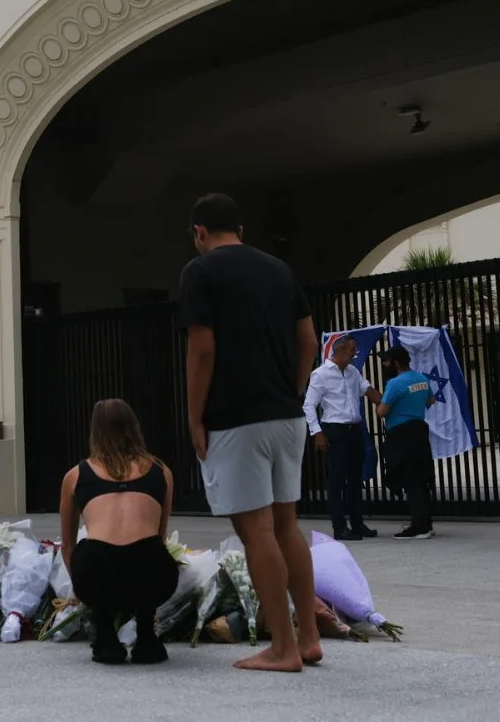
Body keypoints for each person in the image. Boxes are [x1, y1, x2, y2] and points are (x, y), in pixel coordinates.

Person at [177, 193, 322, 673]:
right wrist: (294, 391)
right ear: (240, 228)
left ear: (199, 232)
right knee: (287, 526)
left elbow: (203, 350)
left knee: (255, 531)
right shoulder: (279, 269)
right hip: (286, 415)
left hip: (236, 420)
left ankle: (281, 649)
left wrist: (195, 416)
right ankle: (308, 636)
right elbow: (308, 340)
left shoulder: (201, 272)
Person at [59, 399, 177, 665]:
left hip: (97, 574)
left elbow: (66, 544)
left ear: (95, 432)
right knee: (149, 551)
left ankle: (105, 633)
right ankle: (146, 634)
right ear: (135, 428)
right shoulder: (161, 471)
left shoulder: (75, 476)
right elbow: (160, 536)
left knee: (86, 553)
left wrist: (81, 588)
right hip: (151, 573)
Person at [304, 336, 381, 541]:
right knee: (337, 480)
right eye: (352, 350)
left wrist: (386, 400)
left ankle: (357, 523)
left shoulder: (353, 372)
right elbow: (309, 405)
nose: (355, 353)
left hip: (353, 429)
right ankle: (339, 526)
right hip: (334, 429)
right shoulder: (320, 374)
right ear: (340, 350)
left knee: (356, 478)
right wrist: (317, 432)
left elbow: (367, 389)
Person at [375, 346, 437, 540]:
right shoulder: (422, 379)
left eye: (385, 361)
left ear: (395, 362)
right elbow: (431, 401)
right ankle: (426, 522)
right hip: (419, 430)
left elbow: (382, 412)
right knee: (421, 477)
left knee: (410, 479)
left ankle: (419, 527)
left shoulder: (395, 384)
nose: (384, 365)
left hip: (401, 434)